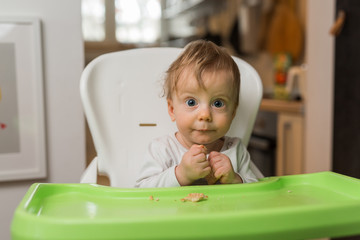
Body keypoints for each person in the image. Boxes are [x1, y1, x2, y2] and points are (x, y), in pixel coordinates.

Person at [135, 40, 259, 188]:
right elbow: (141, 191)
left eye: (218, 103)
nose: (205, 115)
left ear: (233, 112)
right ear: (172, 109)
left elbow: (255, 191)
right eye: (191, 102)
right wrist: (180, 174)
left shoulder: (235, 150)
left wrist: (235, 180)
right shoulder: (163, 150)